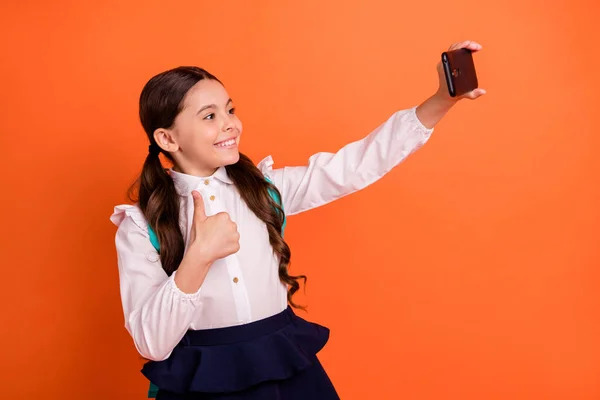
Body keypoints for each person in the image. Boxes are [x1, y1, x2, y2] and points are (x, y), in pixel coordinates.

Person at [110, 40, 485, 399]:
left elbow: (354, 166)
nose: (230, 124)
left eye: (230, 109)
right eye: (210, 116)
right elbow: (152, 344)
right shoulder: (141, 225)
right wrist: (197, 258)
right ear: (167, 139)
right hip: (206, 380)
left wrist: (441, 100)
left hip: (286, 365)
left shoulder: (266, 190)